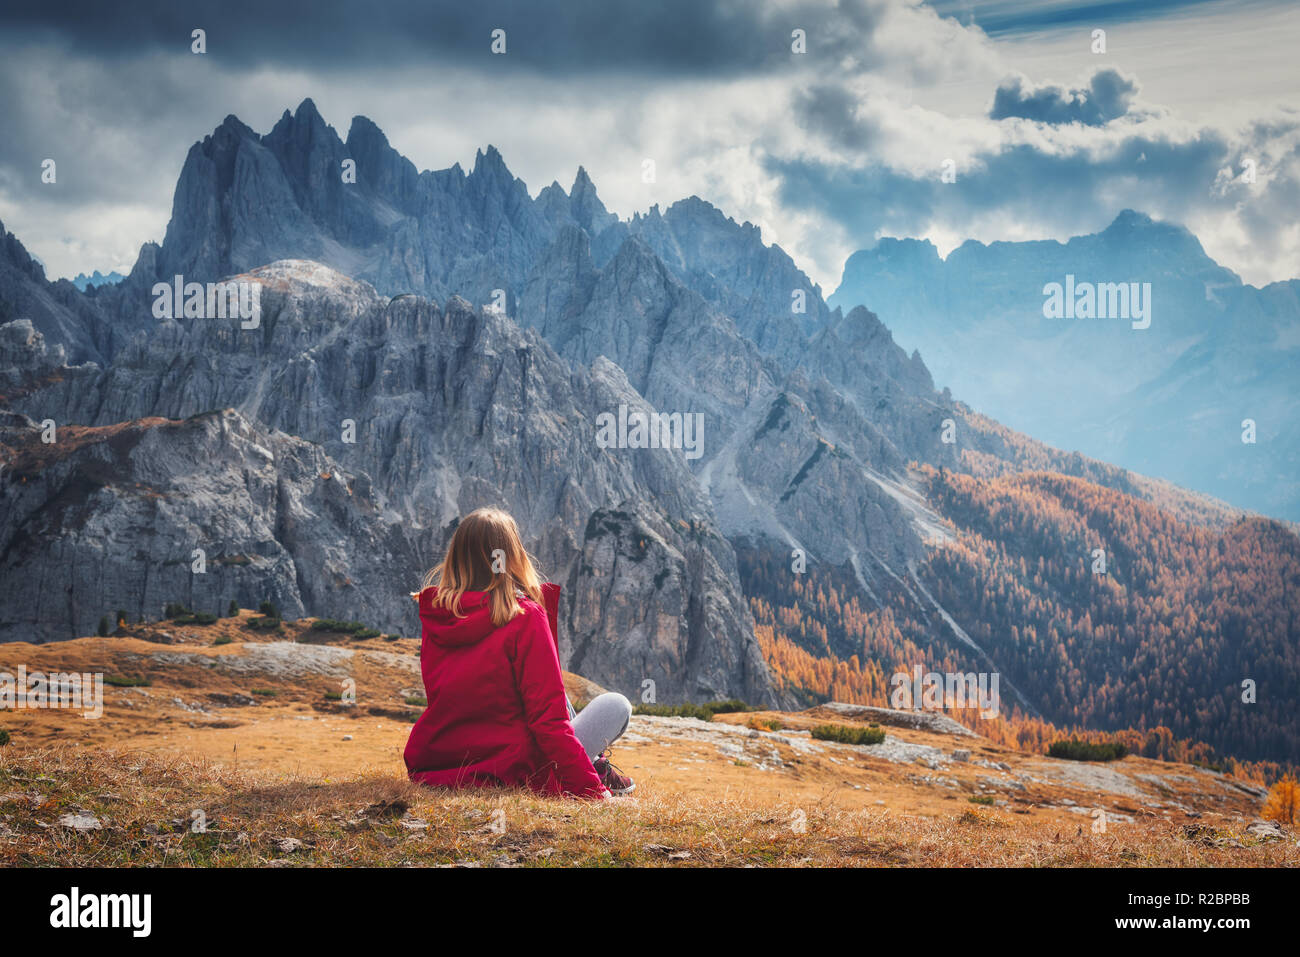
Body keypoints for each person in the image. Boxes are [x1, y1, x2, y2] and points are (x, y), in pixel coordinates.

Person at [403, 507, 635, 799]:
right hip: (512, 768)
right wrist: (592, 791)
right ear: (512, 555)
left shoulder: (439, 614)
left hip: (438, 763)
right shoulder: (523, 616)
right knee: (616, 705)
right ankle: (592, 765)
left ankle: (592, 763)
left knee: (557, 693)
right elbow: (547, 722)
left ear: (457, 557)